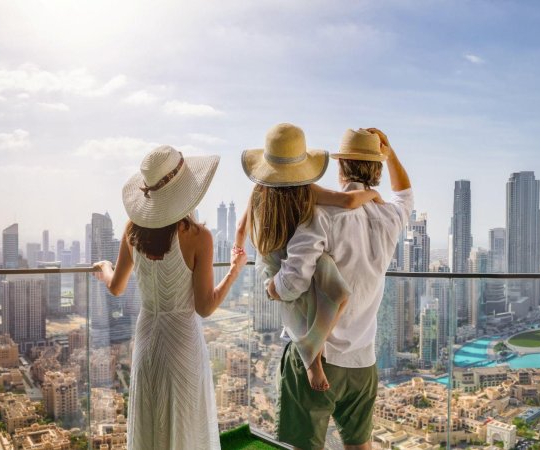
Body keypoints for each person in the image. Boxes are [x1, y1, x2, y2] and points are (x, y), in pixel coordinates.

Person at [268, 128, 412, 450]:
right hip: (363, 360)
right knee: (360, 446)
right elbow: (404, 194)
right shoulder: (390, 216)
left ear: (340, 167)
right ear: (377, 169)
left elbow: (292, 283)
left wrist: (271, 287)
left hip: (319, 356)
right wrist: (391, 154)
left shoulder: (322, 215)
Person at [93, 145, 245, 450]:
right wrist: (234, 271)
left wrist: (105, 268)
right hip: (182, 342)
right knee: (186, 424)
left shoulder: (132, 230)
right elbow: (204, 307)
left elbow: (116, 287)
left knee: (150, 420)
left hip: (147, 338)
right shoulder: (198, 237)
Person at [236, 123, 382, 391]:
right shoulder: (308, 190)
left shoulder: (259, 189)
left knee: (321, 295)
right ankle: (312, 361)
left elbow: (241, 226)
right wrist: (372, 193)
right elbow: (348, 201)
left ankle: (311, 354)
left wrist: (238, 250)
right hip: (281, 260)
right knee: (325, 295)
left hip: (276, 260)